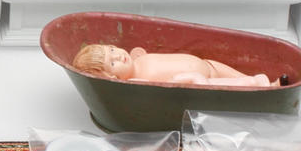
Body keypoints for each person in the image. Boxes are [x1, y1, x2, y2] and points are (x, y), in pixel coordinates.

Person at [72, 44, 281, 87]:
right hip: (201, 82)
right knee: (241, 85)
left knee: (238, 75)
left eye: (112, 49)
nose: (118, 55)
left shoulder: (136, 59)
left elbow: (142, 53)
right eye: (112, 63)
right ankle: (267, 88)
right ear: (113, 78)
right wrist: (189, 79)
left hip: (207, 66)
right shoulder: (136, 81)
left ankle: (261, 82)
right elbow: (165, 85)